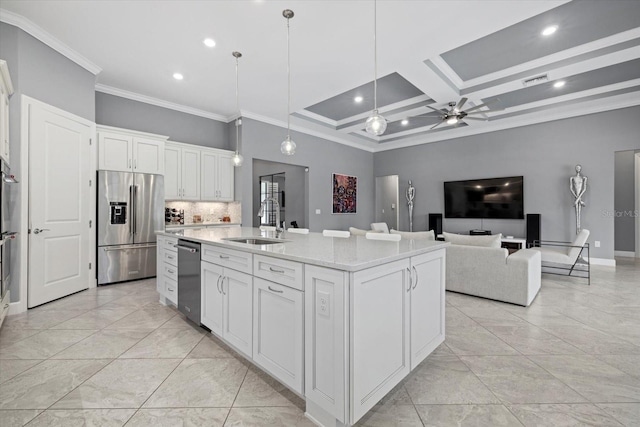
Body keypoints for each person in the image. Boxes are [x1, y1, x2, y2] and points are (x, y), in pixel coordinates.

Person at [570, 164, 587, 234]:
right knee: (577, 213)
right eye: (577, 168)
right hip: (577, 197)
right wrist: (578, 199)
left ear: (580, 169)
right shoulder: (572, 178)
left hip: (579, 198)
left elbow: (584, 189)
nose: (578, 169)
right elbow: (571, 189)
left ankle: (578, 230)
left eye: (579, 168)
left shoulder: (584, 178)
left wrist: (578, 199)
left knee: (579, 213)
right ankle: (577, 231)